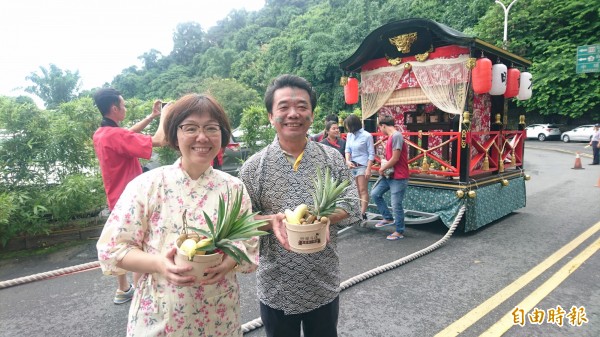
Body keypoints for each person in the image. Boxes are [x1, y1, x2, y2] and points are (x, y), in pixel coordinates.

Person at [96, 93, 260, 337]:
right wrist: (158, 263)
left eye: (212, 128)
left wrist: (229, 262)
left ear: (223, 136)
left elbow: (248, 244)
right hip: (159, 318)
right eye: (190, 128)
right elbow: (112, 249)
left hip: (219, 318)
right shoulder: (147, 185)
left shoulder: (233, 188)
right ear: (174, 134)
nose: (202, 137)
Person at [239, 74, 361, 337]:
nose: (293, 113)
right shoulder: (252, 168)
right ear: (271, 116)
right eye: (283, 107)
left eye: (302, 106)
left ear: (312, 115)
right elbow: (241, 222)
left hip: (322, 278)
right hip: (276, 283)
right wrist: (271, 221)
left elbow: (352, 203)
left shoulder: (332, 158)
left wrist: (327, 217)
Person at [92, 88, 167, 304]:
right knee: (137, 244)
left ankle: (123, 289)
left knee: (121, 241)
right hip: (131, 198)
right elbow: (159, 140)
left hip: (115, 195)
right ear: (114, 108)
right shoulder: (115, 135)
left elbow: (127, 135)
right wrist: (164, 115)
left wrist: (151, 116)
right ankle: (141, 294)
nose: (125, 108)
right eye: (123, 105)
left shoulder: (101, 134)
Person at [370, 115, 410, 240]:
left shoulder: (397, 136)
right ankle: (387, 217)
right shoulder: (392, 137)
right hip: (390, 175)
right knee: (375, 193)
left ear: (383, 125)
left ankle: (399, 231)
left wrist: (382, 168)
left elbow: (395, 158)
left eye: (380, 127)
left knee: (396, 204)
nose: (380, 130)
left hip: (399, 176)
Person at [344, 113, 375, 221]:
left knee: (362, 190)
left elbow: (371, 153)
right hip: (352, 165)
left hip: (362, 165)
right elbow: (347, 149)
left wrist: (368, 168)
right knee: (355, 190)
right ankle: (357, 212)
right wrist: (347, 160)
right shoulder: (349, 135)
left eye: (347, 125)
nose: (346, 128)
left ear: (352, 125)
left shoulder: (367, 136)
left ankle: (362, 213)